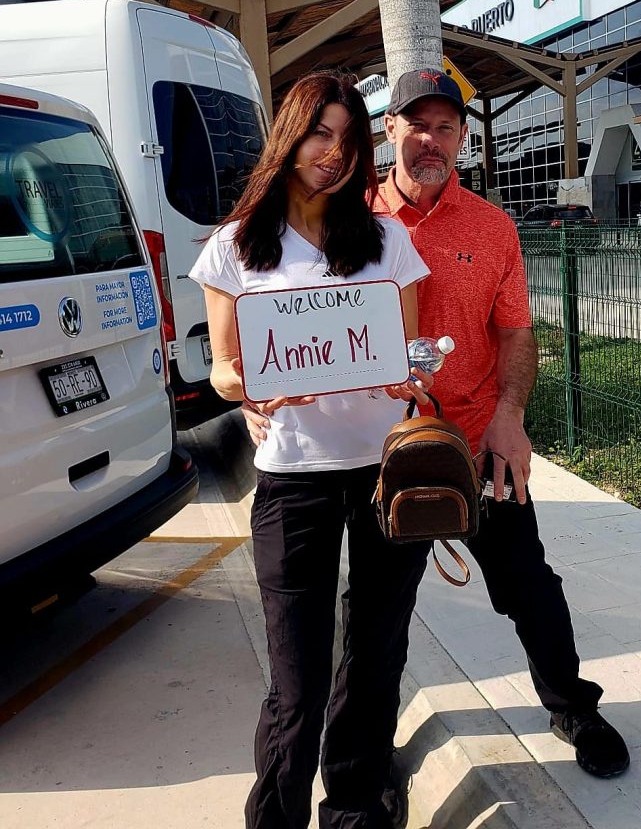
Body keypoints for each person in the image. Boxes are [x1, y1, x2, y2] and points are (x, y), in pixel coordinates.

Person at [245, 68, 630, 788]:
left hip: (477, 441)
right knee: (376, 621)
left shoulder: (491, 227)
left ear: (461, 136)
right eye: (415, 125)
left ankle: (574, 707)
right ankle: (359, 765)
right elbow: (277, 311)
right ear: (388, 131)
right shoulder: (343, 216)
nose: (430, 140)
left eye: (445, 127)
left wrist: (511, 419)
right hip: (378, 453)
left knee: (528, 584)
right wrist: (254, 385)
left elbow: (515, 332)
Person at [190, 71, 435, 829]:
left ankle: (356, 808)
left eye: (348, 139)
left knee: (373, 657)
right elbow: (223, 371)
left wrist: (418, 374)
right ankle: (277, 816)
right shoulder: (235, 247)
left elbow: (413, 348)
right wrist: (250, 389)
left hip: (381, 473)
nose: (333, 153)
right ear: (289, 137)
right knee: (295, 684)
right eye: (318, 134)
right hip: (293, 480)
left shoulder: (387, 240)